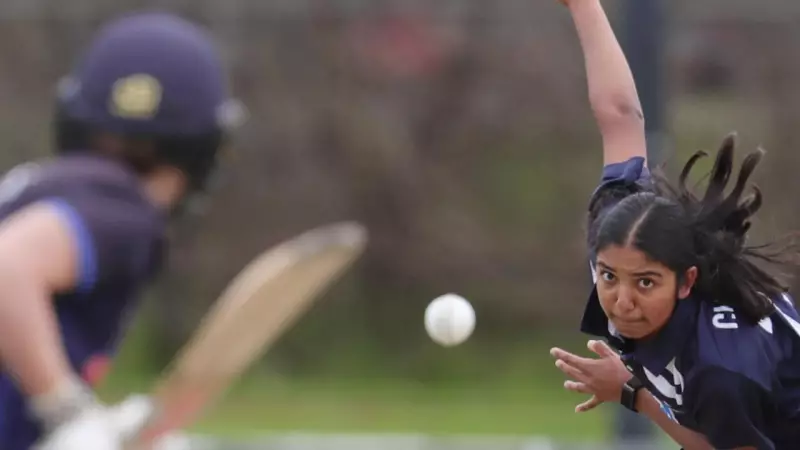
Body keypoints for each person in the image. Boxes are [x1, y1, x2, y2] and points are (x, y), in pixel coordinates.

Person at [549, 1, 800, 449]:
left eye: (645, 283)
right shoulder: (620, 232)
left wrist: (632, 394)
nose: (622, 301)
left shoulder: (722, 369)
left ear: (686, 281)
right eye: (609, 277)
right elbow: (620, 116)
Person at [0, 11, 243, 450]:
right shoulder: (125, 213)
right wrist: (63, 409)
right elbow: (6, 268)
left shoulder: (41, 187)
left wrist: (105, 429)